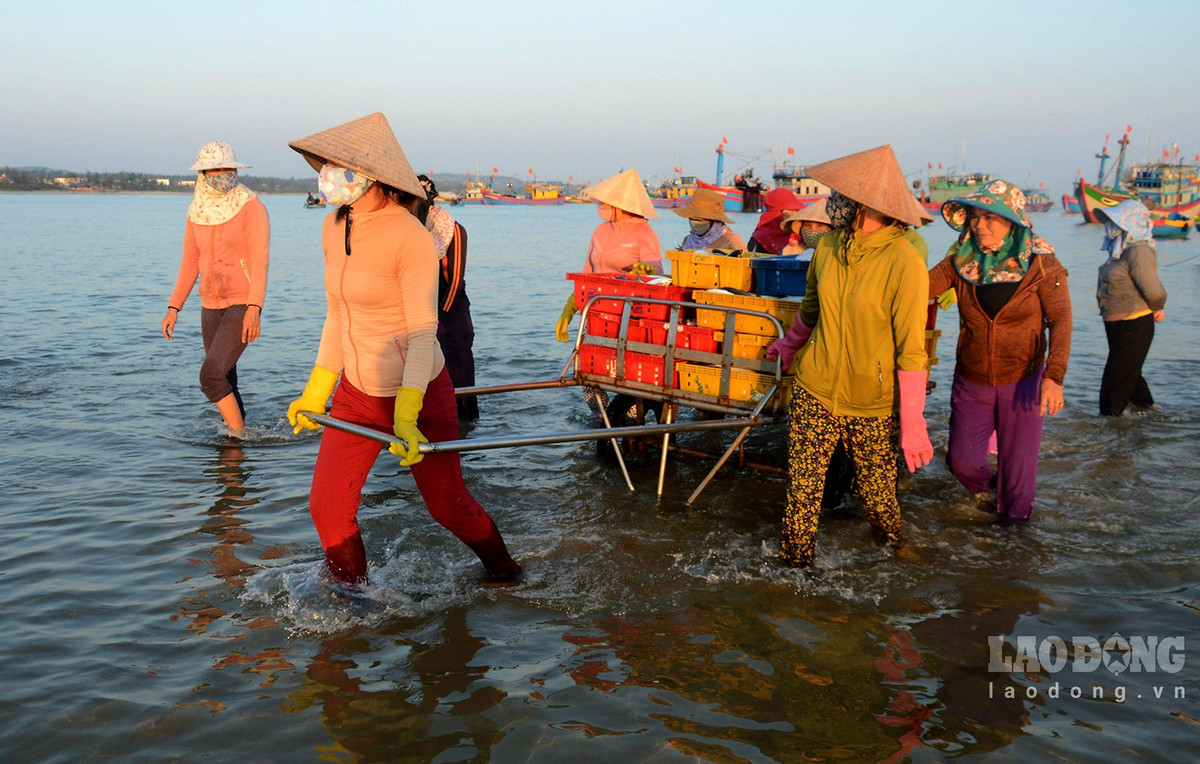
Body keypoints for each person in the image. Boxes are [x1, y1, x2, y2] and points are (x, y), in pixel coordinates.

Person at [284, 112, 520, 586]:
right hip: (356, 391)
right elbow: (337, 315)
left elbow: (421, 331)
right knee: (327, 508)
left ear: (371, 176)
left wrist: (408, 409)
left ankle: (506, 572)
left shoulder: (410, 237)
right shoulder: (332, 227)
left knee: (447, 507)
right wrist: (316, 391)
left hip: (419, 390)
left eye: (338, 166)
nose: (326, 176)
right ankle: (354, 604)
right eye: (325, 166)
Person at [765, 145, 934, 566]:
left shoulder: (904, 262)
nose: (832, 204)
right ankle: (794, 571)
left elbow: (911, 351)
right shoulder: (827, 248)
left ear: (866, 205)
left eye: (842, 197)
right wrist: (789, 345)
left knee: (878, 496)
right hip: (814, 387)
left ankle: (894, 546)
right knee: (802, 491)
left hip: (871, 401)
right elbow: (810, 310)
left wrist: (913, 424)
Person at [928, 179, 1072, 526]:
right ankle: (991, 493)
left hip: (1024, 381)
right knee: (961, 462)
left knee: (1019, 473)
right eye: (975, 217)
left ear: (1013, 221)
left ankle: (1014, 545)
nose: (980, 225)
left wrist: (1054, 377)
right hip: (971, 378)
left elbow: (1061, 321)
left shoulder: (1042, 264)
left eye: (990, 218)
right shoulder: (960, 261)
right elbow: (918, 287)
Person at [161, 142, 269, 436]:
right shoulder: (196, 210)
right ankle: (237, 450)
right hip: (210, 305)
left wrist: (254, 308)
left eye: (227, 168)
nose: (223, 174)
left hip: (242, 302)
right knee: (225, 378)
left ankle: (238, 439)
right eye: (215, 169)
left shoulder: (250, 205)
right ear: (204, 174)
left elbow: (260, 261)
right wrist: (174, 307)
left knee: (210, 376)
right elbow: (189, 262)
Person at [555, 168, 661, 342]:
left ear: (618, 205)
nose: (600, 206)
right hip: (595, 313)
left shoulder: (644, 233)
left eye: (604, 202)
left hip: (628, 318)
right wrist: (570, 308)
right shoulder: (600, 231)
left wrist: (647, 272)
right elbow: (587, 274)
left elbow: (657, 279)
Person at [414, 175, 480, 421]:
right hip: (421, 314)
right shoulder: (410, 231)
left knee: (460, 378)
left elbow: (454, 281)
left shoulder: (452, 230)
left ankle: (465, 428)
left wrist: (439, 318)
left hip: (450, 315)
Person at [1094, 199, 1167, 416]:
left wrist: (1158, 306)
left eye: (1117, 221)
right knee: (1128, 372)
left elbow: (1152, 288)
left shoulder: (1139, 250)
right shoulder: (1120, 250)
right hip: (1117, 324)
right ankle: (1148, 410)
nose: (1111, 226)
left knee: (1114, 380)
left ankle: (1107, 425)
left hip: (1134, 322)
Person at [673, 188, 746, 252]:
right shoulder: (688, 241)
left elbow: (744, 263)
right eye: (691, 218)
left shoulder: (731, 240)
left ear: (713, 220)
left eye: (699, 219)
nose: (694, 222)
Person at [747, 187, 803, 255]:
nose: (796, 214)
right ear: (778, 213)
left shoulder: (800, 236)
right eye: (792, 210)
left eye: (797, 210)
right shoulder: (758, 241)